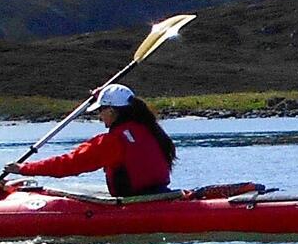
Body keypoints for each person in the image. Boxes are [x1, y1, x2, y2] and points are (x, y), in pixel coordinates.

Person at [11, 83, 177, 197]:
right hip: (157, 194)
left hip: (133, 200)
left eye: (101, 110)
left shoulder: (113, 141)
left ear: (111, 111)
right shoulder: (149, 128)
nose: (99, 116)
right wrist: (101, 95)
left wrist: (25, 168)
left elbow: (71, 163)